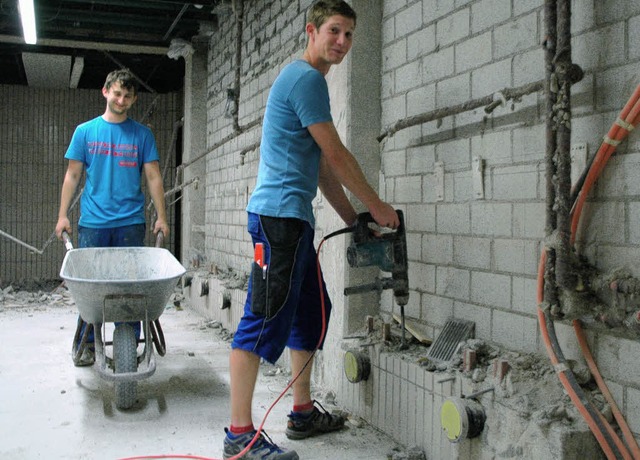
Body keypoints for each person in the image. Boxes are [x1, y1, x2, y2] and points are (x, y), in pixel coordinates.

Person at [222, 1, 400, 459]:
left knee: (310, 314)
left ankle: (301, 412)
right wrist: (377, 206)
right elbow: (338, 154)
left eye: (349, 35)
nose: (342, 42)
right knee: (261, 320)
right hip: (278, 221)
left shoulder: (309, 83)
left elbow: (320, 164)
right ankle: (239, 433)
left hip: (293, 222)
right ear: (312, 31)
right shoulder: (304, 78)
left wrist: (351, 218)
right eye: (335, 31)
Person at [55, 68, 169, 367]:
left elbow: (154, 176)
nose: (121, 100)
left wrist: (162, 216)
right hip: (92, 222)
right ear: (105, 91)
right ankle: (87, 343)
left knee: (130, 288)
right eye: (117, 93)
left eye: (128, 96)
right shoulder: (85, 132)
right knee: (89, 289)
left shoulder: (142, 134)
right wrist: (62, 216)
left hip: (130, 222)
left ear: (133, 99)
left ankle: (127, 345)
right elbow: (73, 175)